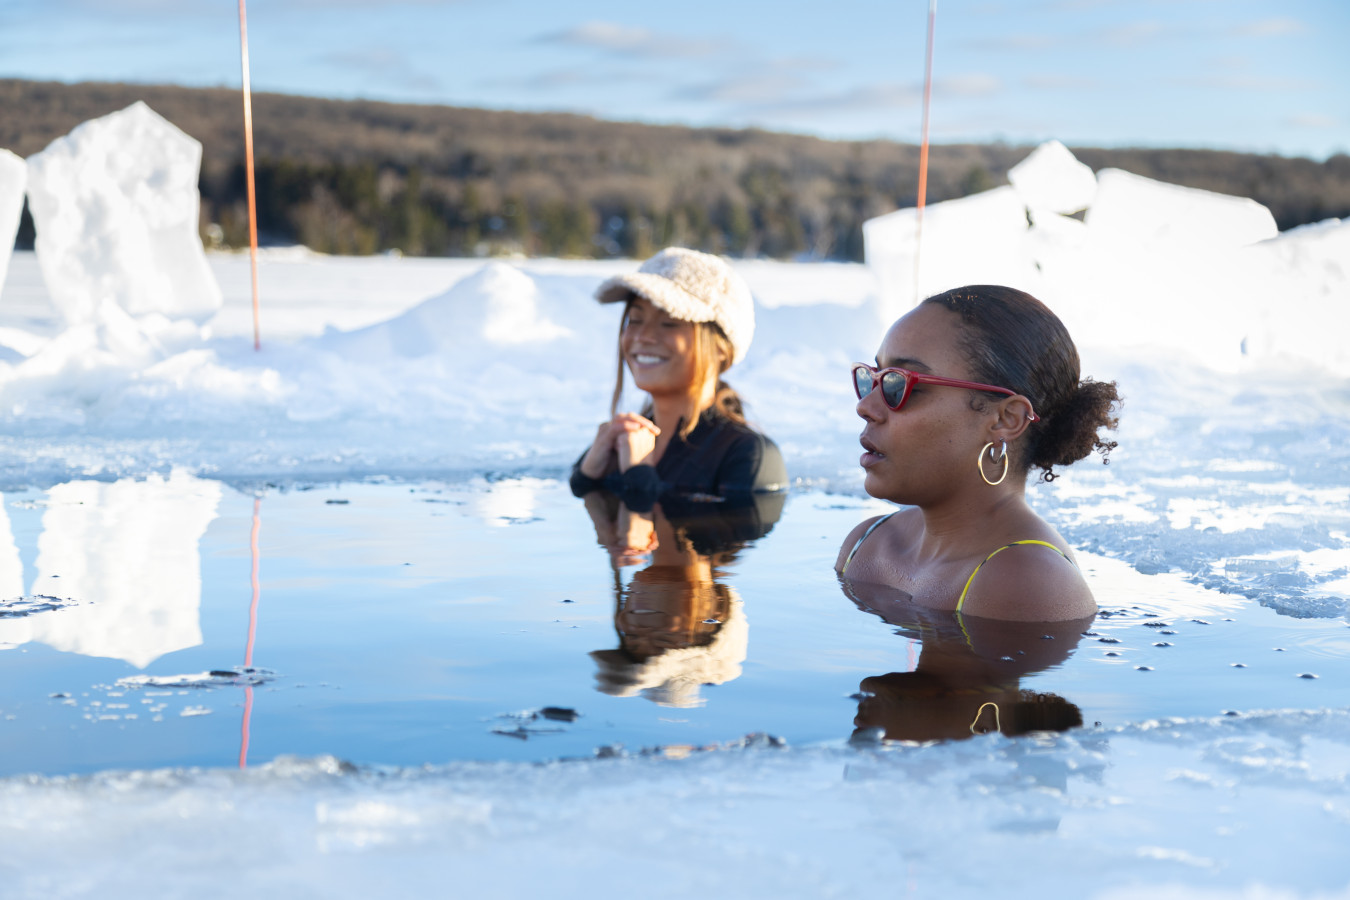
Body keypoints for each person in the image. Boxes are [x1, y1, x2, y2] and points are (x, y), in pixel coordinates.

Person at [836, 285, 1121, 622]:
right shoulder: (869, 544)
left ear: (1005, 419)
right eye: (872, 378)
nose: (866, 406)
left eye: (899, 384)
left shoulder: (1025, 579)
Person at [569, 247, 786, 510]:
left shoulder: (749, 456)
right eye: (635, 320)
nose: (642, 336)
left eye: (669, 323)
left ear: (721, 348)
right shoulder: (619, 443)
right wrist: (586, 477)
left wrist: (639, 478)